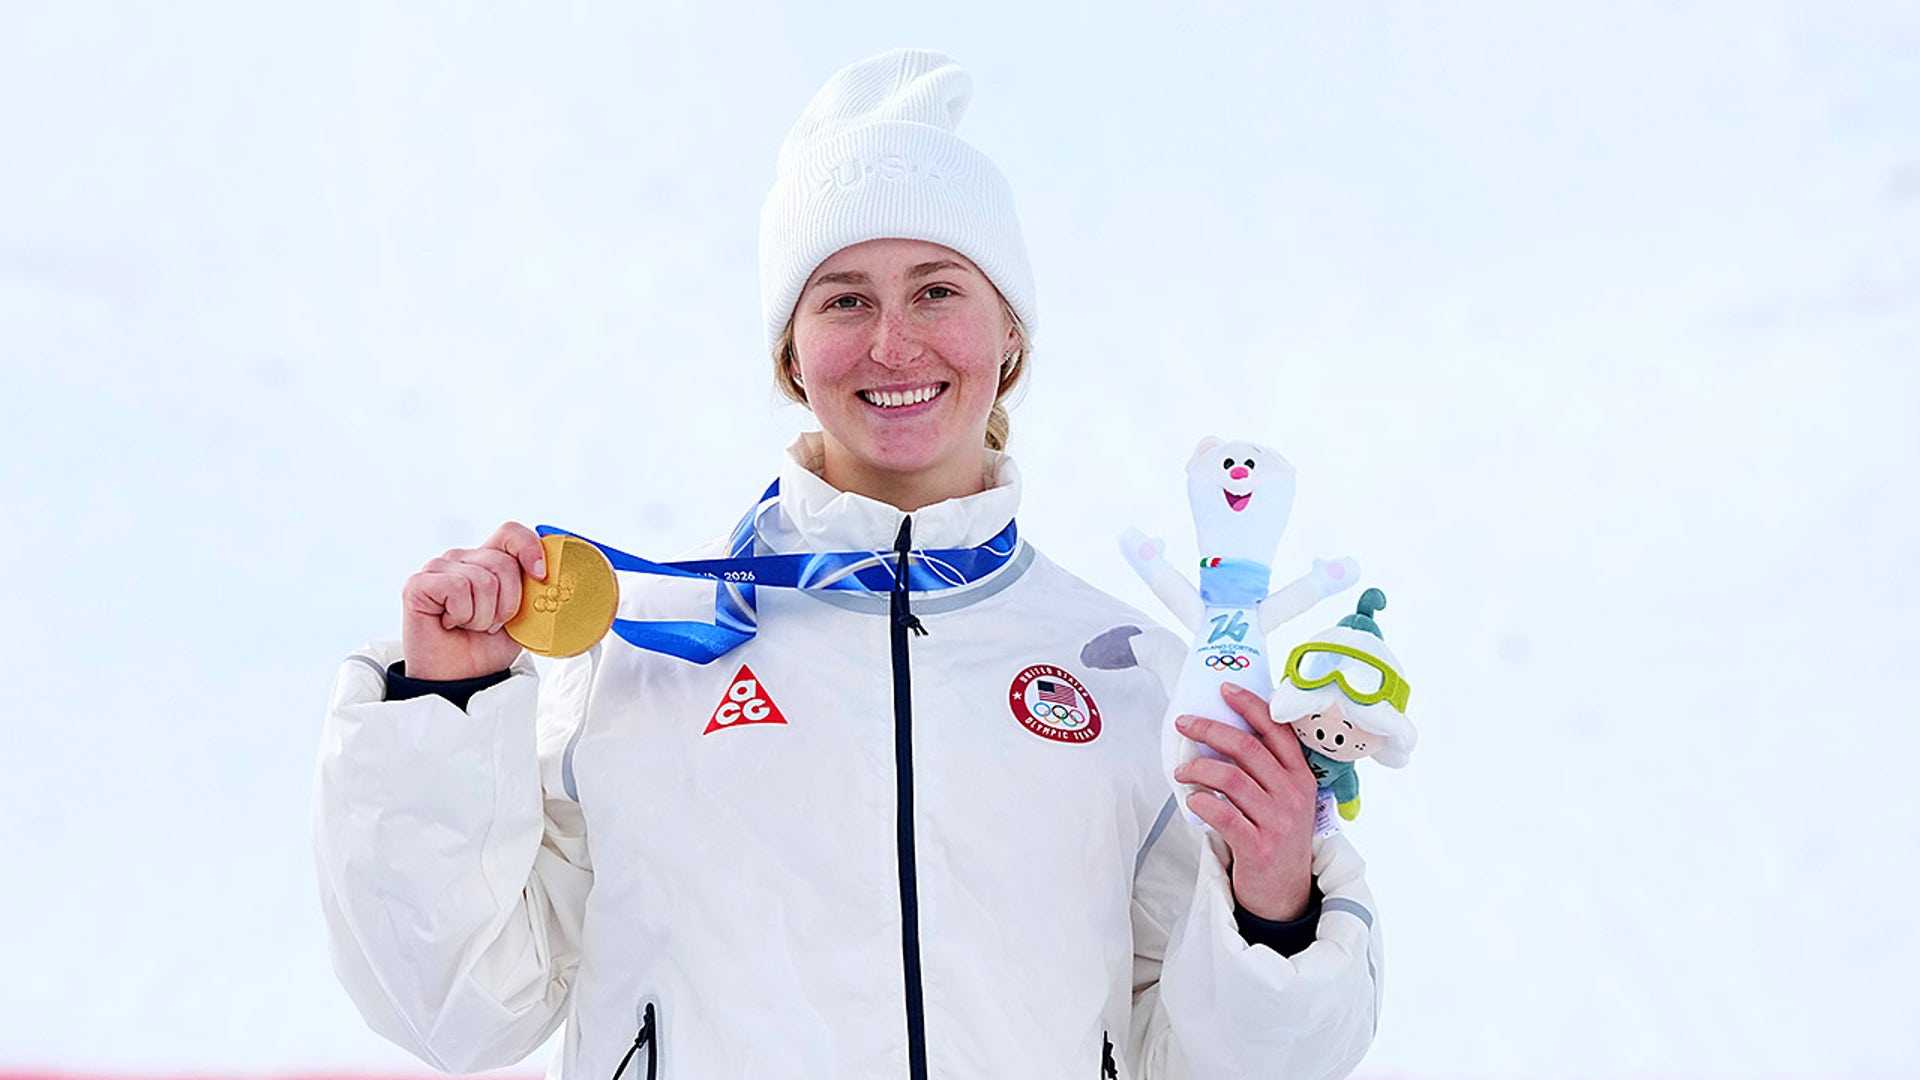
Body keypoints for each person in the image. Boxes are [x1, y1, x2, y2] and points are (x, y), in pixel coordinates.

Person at [313, 49, 1384, 1079]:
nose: (892, 344)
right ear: (790, 352)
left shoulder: (1128, 675)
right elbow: (455, 1001)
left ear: (1010, 333)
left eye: (937, 290)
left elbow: (1235, 1063)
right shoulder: (649, 648)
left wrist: (1274, 897)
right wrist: (445, 703)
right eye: (843, 299)